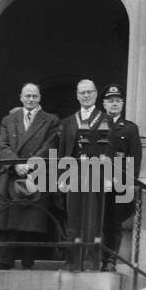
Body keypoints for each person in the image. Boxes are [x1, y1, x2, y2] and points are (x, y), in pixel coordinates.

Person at [0, 82, 59, 269]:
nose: (31, 99)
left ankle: (28, 263)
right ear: (21, 97)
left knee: (30, 224)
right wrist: (16, 163)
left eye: (34, 96)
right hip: (11, 175)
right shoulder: (9, 119)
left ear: (39, 98)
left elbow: (50, 146)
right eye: (27, 96)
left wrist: (29, 164)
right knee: (7, 222)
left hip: (35, 175)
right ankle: (4, 262)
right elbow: (3, 146)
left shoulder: (51, 120)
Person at [57, 78, 107, 272]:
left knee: (92, 220)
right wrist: (60, 177)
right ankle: (72, 262)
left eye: (89, 92)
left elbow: (109, 151)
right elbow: (62, 151)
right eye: (82, 93)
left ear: (95, 94)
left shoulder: (105, 119)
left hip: (95, 176)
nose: (86, 96)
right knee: (73, 220)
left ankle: (89, 262)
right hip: (71, 175)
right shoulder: (68, 122)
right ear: (77, 96)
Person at [96, 84, 141, 271]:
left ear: (122, 104)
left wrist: (129, 184)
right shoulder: (97, 125)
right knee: (96, 220)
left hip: (119, 183)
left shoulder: (129, 128)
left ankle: (110, 260)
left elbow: (134, 158)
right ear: (104, 104)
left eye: (118, 101)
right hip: (97, 181)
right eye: (110, 101)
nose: (114, 104)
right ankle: (94, 259)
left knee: (114, 223)